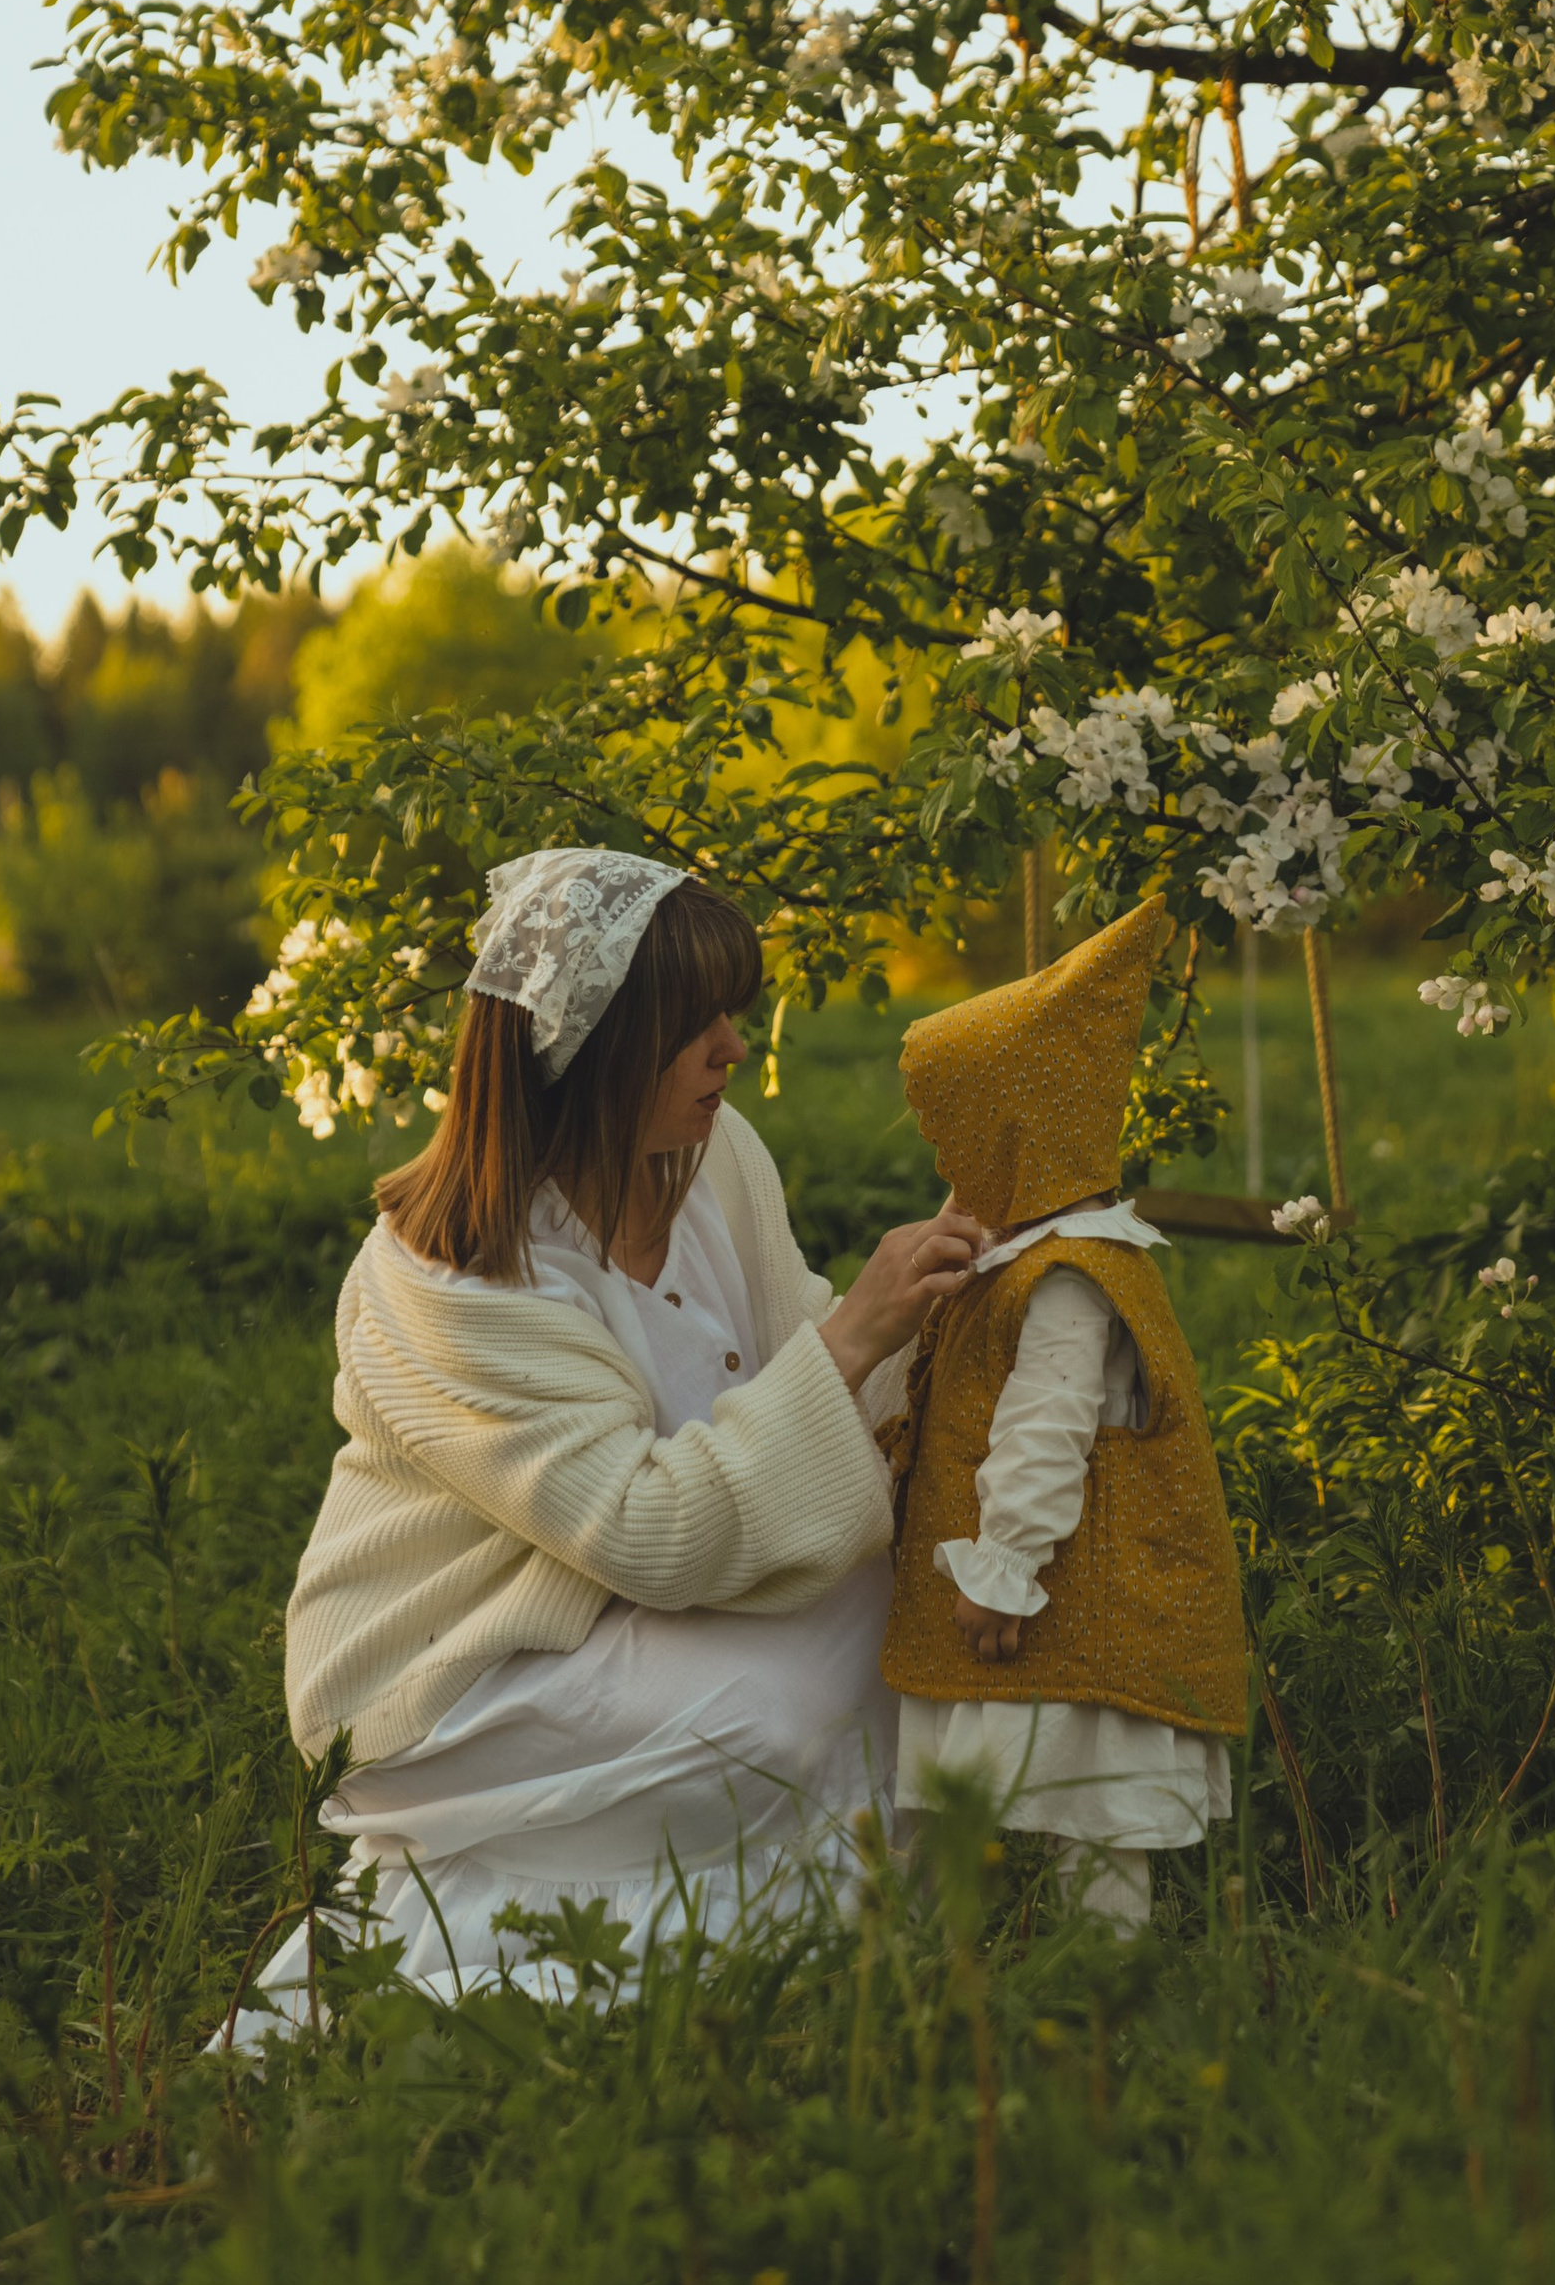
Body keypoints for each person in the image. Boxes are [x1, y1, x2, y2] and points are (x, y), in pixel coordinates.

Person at [240, 847, 984, 2023]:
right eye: (695, 1027)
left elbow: (808, 1364)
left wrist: (957, 1331)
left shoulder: (709, 1158)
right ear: (584, 1052)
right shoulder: (450, 1282)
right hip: (472, 1671)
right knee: (782, 1715)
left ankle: (882, 1928)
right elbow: (651, 1530)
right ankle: (656, 1947)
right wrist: (855, 1337)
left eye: (729, 1015)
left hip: (639, 1606)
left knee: (913, 1605)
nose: (732, 1049)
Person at [879, 896, 1249, 1927]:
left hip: (1053, 1605)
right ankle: (943, 1961)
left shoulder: (1069, 1280)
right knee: (980, 1792)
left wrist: (1005, 1567)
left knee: (1091, 1810)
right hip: (1030, 1606)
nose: (952, 1165)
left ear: (1018, 1136)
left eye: (964, 1139)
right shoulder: (1033, 1262)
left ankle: (1097, 1976)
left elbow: (1045, 1427)